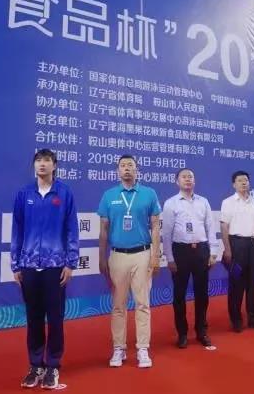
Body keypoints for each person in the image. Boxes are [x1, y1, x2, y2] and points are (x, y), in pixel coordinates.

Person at [11, 149, 79, 390]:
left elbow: (71, 229)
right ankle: (35, 365)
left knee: (56, 318)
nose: (42, 164)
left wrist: (70, 262)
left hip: (55, 266)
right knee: (34, 318)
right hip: (29, 265)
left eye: (47, 160)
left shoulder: (64, 193)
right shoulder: (24, 194)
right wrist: (15, 263)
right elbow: (17, 230)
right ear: (34, 165)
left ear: (54, 166)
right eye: (38, 160)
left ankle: (53, 366)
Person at [98, 155, 162, 368]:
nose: (126, 169)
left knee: (143, 303)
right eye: (123, 166)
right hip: (117, 255)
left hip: (142, 254)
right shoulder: (109, 195)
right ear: (118, 171)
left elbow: (155, 226)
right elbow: (103, 230)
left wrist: (155, 255)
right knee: (118, 305)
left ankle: (143, 348)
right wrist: (102, 258)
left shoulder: (149, 193)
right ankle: (119, 348)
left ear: (137, 170)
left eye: (130, 165)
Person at [161, 168, 220, 348]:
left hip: (201, 250)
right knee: (179, 295)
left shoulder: (203, 201)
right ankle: (182, 333)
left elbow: (210, 227)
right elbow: (167, 233)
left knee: (202, 294)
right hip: (180, 251)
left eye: (191, 177)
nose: (188, 179)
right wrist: (170, 258)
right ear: (177, 181)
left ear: (194, 181)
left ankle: (202, 331)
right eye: (184, 177)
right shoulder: (171, 203)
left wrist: (213, 251)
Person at [220, 170, 254, 332]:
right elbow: (224, 227)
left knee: (253, 283)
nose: (244, 183)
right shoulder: (228, 202)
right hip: (236, 244)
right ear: (234, 184)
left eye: (246, 180)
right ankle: (236, 320)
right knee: (236, 284)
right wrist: (227, 249)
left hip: (253, 244)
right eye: (240, 180)